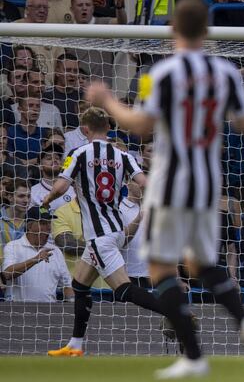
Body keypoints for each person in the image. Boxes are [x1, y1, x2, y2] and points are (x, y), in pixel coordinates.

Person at [85, 0, 244, 378]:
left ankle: (195, 357)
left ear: (173, 31)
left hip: (170, 178)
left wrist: (107, 101)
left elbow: (140, 126)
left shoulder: (162, 73)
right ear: (205, 31)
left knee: (162, 266)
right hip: (207, 181)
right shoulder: (225, 72)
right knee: (203, 263)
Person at [39, 108, 162, 357]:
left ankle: (174, 311)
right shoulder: (123, 155)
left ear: (84, 129)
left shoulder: (78, 153)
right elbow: (146, 183)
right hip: (115, 229)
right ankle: (75, 344)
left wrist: (45, 200)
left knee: (123, 290)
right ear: (108, 127)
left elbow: (61, 187)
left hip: (99, 235)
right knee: (80, 285)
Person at [2, 206, 72, 302]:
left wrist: (72, 303)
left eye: (49, 223)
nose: (48, 228)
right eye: (43, 223)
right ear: (29, 226)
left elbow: (67, 285)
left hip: (49, 313)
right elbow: (7, 274)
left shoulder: (55, 251)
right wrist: (35, 259)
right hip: (18, 312)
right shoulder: (13, 246)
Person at [29, 141, 74, 213]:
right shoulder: (33, 193)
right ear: (40, 166)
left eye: (57, 158)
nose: (54, 160)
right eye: (49, 158)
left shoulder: (73, 191)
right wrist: (44, 207)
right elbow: (33, 218)